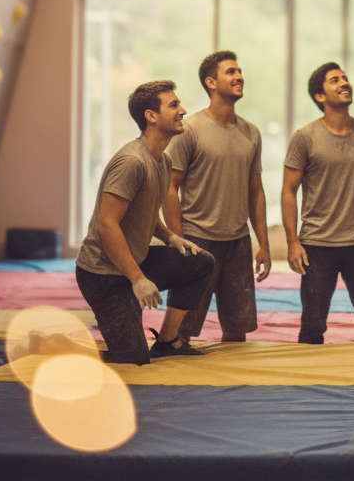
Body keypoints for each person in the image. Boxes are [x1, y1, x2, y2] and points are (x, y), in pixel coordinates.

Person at [75, 81, 215, 364]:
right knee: (134, 358)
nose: (183, 110)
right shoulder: (131, 162)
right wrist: (137, 280)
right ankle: (60, 346)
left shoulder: (162, 161)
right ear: (151, 116)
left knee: (201, 262)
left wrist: (169, 237)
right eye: (174, 105)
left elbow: (145, 213)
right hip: (103, 275)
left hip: (134, 262)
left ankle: (167, 341)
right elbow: (106, 225)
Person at [282, 62, 354, 344]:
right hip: (317, 246)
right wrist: (292, 241)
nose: (344, 83)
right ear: (320, 96)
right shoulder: (304, 137)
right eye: (334, 80)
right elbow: (288, 191)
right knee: (311, 330)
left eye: (345, 78)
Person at [162, 50, 270, 344]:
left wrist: (263, 243)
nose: (239, 77)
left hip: (238, 241)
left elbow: (255, 192)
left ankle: (231, 387)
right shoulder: (190, 130)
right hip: (197, 241)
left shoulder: (252, 133)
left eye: (239, 71)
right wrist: (177, 239)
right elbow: (169, 188)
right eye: (231, 72)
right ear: (211, 82)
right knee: (180, 330)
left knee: (237, 330)